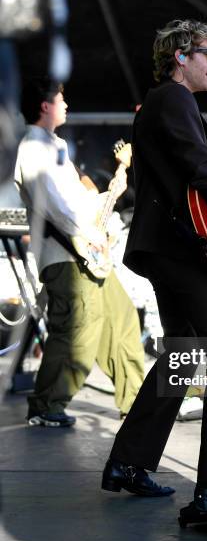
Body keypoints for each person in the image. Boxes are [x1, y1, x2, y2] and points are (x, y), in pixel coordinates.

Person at [102, 19, 207, 509]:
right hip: (184, 249)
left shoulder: (164, 104)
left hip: (168, 247)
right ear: (180, 57)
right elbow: (196, 162)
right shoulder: (173, 99)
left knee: (185, 354)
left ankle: (129, 460)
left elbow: (188, 175)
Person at [14, 77, 145, 427]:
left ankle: (135, 401)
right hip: (67, 257)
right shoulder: (34, 148)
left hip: (86, 253)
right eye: (61, 99)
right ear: (45, 105)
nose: (66, 105)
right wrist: (89, 234)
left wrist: (110, 196)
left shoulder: (54, 147)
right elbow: (56, 206)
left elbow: (78, 204)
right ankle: (46, 406)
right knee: (76, 333)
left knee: (122, 320)